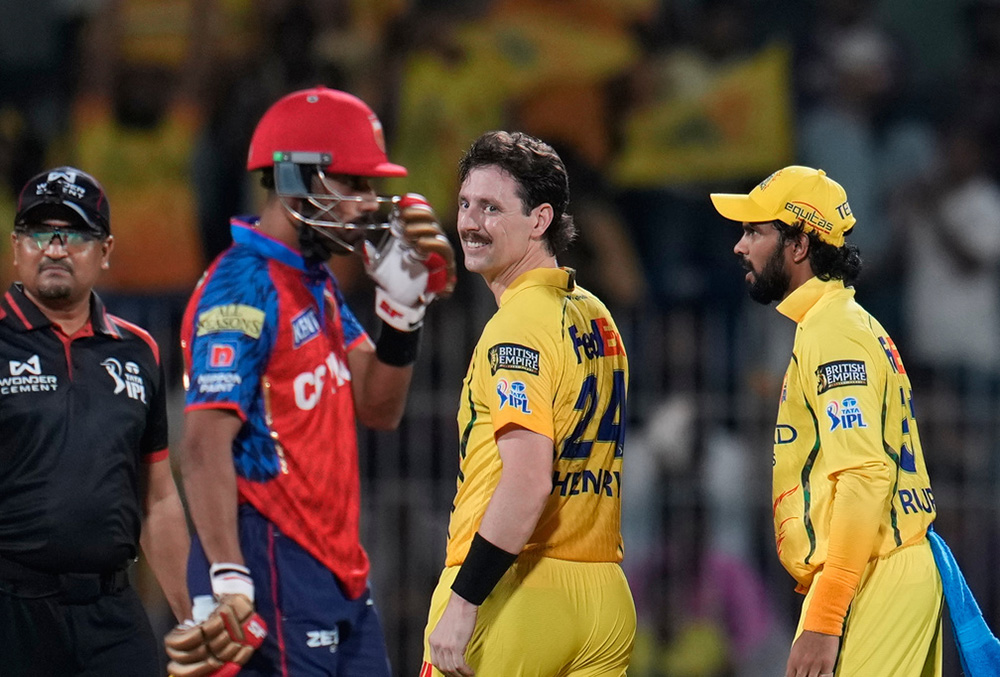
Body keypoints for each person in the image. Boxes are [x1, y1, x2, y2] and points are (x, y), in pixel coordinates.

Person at [172, 86, 455, 677]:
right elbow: (202, 447)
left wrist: (402, 314)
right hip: (270, 562)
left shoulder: (314, 282)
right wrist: (227, 578)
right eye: (354, 184)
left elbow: (378, 407)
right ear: (298, 178)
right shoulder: (241, 288)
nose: (369, 203)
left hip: (338, 569)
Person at [710, 165, 942, 676]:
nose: (739, 246)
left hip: (873, 578)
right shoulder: (836, 324)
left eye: (755, 231)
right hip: (869, 575)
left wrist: (825, 619)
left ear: (798, 245)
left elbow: (864, 477)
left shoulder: (833, 334)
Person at [421, 131, 635, 677]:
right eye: (466, 203)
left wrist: (464, 601)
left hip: (516, 591)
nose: (469, 222)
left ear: (540, 220)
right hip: (604, 597)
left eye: (492, 208)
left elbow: (527, 479)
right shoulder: (597, 316)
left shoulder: (516, 326)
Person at [0, 166, 191, 676]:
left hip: (110, 613)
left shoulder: (140, 351)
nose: (56, 248)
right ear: (17, 247)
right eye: (41, 232)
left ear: (105, 251)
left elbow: (158, 497)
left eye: (75, 234)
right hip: (11, 613)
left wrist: (194, 616)